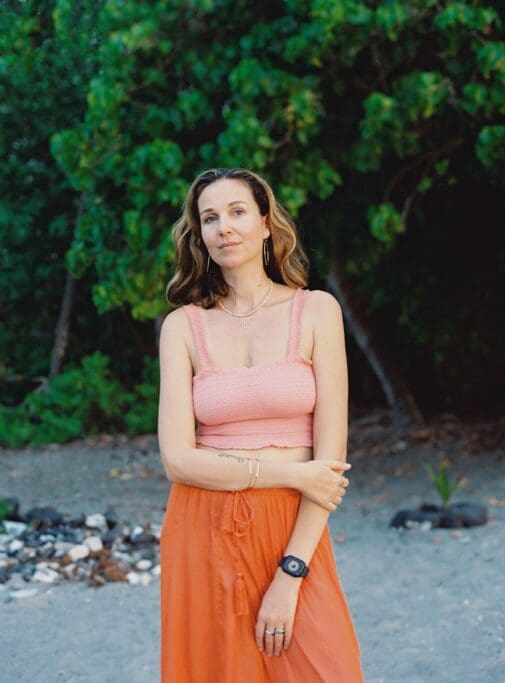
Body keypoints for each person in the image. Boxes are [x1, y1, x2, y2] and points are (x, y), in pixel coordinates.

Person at [158, 167, 364, 680]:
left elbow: (330, 459)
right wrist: (293, 473)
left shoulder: (317, 311)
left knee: (326, 666)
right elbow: (178, 460)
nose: (224, 227)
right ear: (199, 235)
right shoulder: (182, 327)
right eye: (209, 218)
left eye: (237, 212)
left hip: (293, 527)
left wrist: (292, 573)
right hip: (201, 526)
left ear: (266, 223)